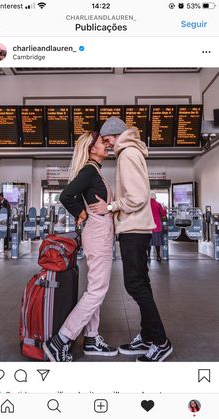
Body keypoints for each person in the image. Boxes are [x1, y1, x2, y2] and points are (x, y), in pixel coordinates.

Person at [90, 116, 173, 362]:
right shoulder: (131, 152)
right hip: (136, 229)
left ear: (116, 136)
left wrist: (111, 206)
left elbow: (137, 197)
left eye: (107, 140)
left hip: (133, 229)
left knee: (134, 284)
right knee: (141, 283)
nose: (106, 146)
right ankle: (148, 335)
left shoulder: (126, 154)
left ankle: (160, 341)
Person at [43, 131, 118, 362]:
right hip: (97, 234)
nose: (106, 144)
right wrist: (80, 212)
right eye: (101, 142)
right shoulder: (88, 170)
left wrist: (88, 211)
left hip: (99, 233)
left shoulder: (94, 171)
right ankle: (61, 340)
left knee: (95, 287)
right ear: (91, 149)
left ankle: (92, 338)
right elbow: (65, 196)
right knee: (97, 290)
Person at [147, 192, 167, 262]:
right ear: (155, 197)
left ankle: (148, 256)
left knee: (148, 243)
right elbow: (163, 214)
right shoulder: (158, 204)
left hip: (148, 227)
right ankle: (158, 256)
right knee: (157, 243)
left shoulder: (147, 205)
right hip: (157, 227)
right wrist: (164, 208)